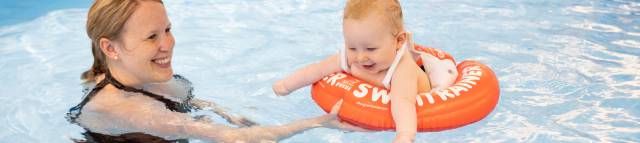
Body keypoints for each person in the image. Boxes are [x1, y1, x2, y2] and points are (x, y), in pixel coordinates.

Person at [67, 0, 343, 142]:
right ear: (111, 48)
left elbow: (181, 106)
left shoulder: (131, 73)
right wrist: (318, 122)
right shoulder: (129, 110)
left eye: (168, 30)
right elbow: (237, 141)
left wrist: (223, 113)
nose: (168, 44)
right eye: (151, 37)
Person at [271, 0, 457, 142]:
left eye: (370, 49)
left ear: (399, 41)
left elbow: (403, 103)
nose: (360, 57)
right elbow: (318, 69)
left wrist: (404, 135)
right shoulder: (352, 55)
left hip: (422, 92)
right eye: (352, 48)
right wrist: (286, 85)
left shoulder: (402, 69)